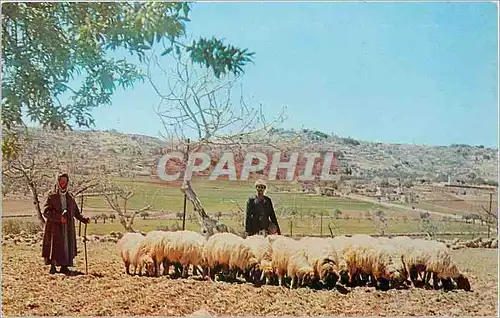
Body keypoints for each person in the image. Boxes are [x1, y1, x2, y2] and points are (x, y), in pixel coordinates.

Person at [41, 173, 90, 274]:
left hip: (67, 227)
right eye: (61, 181)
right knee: (54, 246)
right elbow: (46, 212)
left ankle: (64, 266)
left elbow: (75, 211)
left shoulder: (70, 196)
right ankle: (53, 266)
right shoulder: (52, 196)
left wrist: (84, 219)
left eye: (65, 181)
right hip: (54, 226)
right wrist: (59, 218)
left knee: (66, 245)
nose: (63, 183)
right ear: (57, 182)